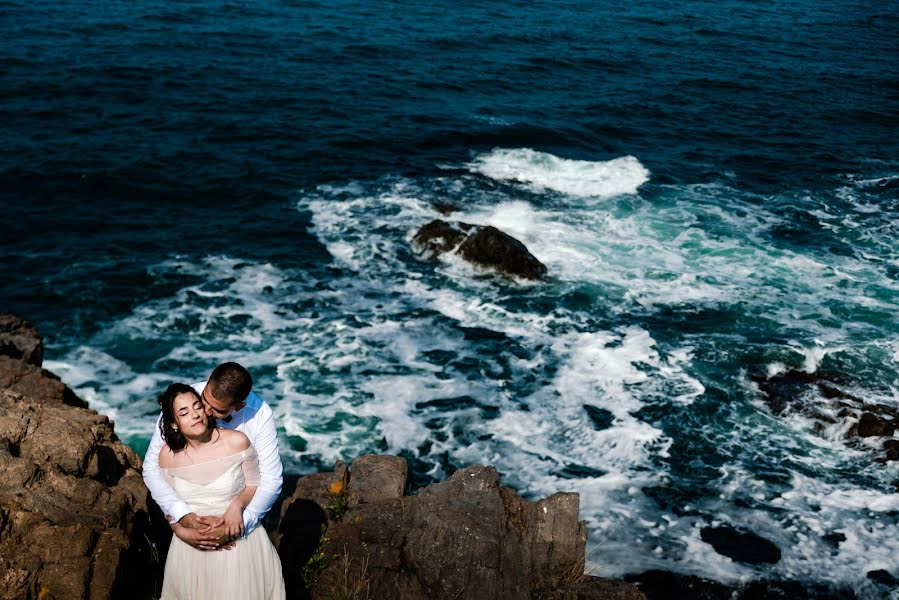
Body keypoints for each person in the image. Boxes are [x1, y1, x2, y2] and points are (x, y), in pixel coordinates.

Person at [154, 382, 285, 599]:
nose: (195, 415)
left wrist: (238, 505)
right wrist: (179, 530)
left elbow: (256, 483)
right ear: (173, 424)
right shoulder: (166, 456)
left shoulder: (237, 441)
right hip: (191, 550)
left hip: (240, 547)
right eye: (184, 413)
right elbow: (168, 502)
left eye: (197, 406)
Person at [143, 362, 283, 550]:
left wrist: (239, 524)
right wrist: (182, 518)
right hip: (190, 528)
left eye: (218, 410)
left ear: (240, 406)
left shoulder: (260, 415)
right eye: (205, 402)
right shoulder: (185, 401)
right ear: (208, 379)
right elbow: (151, 469)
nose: (206, 413)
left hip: (239, 529)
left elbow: (271, 479)